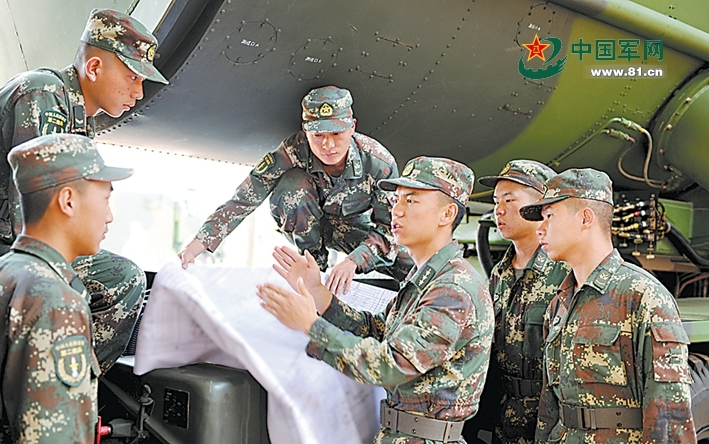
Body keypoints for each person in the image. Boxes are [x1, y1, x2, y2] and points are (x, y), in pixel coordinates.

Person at [0, 8, 168, 373]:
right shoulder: (43, 93)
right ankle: (32, 399)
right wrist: (69, 284)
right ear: (93, 68)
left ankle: (64, 394)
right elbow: (34, 213)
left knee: (120, 279)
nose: (139, 91)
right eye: (133, 77)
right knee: (93, 283)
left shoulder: (78, 122)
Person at [257, 156, 494, 443]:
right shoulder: (429, 278)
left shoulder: (453, 288)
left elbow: (392, 364)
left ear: (447, 214)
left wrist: (311, 326)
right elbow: (378, 330)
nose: (397, 211)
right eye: (397, 200)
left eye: (412, 200)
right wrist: (318, 293)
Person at [178, 85, 413, 294]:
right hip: (307, 230)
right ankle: (314, 271)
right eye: (318, 135)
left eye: (337, 134)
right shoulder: (293, 150)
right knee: (292, 186)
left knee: (411, 263)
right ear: (305, 130)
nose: (328, 145)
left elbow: (389, 230)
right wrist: (197, 244)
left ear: (352, 127)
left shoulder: (379, 163)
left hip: (355, 231)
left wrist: (353, 261)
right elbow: (245, 197)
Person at [518, 168, 696, 443]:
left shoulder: (643, 297)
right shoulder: (559, 303)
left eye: (549, 216)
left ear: (585, 218)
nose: (540, 228)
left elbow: (669, 419)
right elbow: (549, 407)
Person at [0, 134, 133, 443]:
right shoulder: (56, 301)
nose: (109, 216)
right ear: (68, 201)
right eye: (106, 199)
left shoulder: (4, 271)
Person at [465, 160, 570, 444]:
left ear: (541, 204)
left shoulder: (566, 272)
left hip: (551, 423)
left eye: (510, 200)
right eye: (496, 201)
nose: (499, 209)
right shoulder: (500, 273)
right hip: (503, 420)